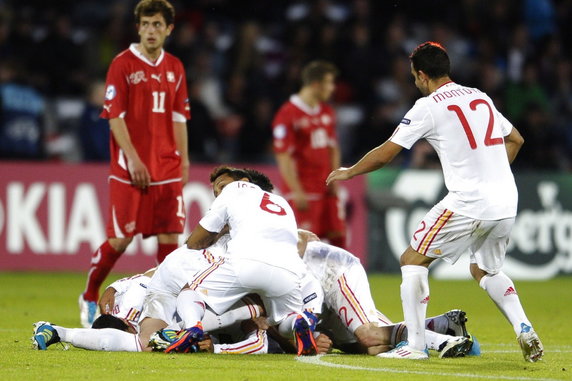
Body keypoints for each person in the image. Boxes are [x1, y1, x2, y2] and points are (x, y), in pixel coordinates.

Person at [327, 41, 543, 362]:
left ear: (423, 75)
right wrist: (491, 172)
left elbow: (387, 152)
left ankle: (415, 347)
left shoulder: (428, 106)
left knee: (411, 260)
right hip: (505, 200)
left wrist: (350, 171)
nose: (415, 83)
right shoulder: (479, 96)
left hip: (468, 201)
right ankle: (524, 327)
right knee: (486, 270)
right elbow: (516, 139)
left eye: (414, 77)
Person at [79, 0, 191, 328]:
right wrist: (134, 159)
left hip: (167, 167)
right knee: (120, 239)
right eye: (146, 24)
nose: (151, 30)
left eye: (157, 25)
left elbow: (178, 117)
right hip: (130, 170)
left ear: (169, 29)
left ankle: (164, 309)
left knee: (171, 239)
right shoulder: (123, 64)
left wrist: (184, 161)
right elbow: (115, 117)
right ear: (137, 27)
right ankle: (89, 295)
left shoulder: (175, 67)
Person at [164, 166, 318, 356]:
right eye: (216, 191)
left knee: (189, 292)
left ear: (244, 182)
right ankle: (300, 321)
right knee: (286, 321)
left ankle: (192, 328)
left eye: (222, 185)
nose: (219, 192)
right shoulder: (281, 201)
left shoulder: (232, 193)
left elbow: (194, 242)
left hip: (245, 263)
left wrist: (224, 227)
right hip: (287, 270)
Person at [272, 60, 346, 248]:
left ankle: (338, 278)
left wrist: (335, 178)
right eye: (329, 83)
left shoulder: (327, 112)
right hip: (304, 190)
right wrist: (296, 190)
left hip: (326, 189)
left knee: (338, 239)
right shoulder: (287, 114)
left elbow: (333, 147)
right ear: (315, 84)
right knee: (305, 243)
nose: (332, 88)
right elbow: (283, 156)